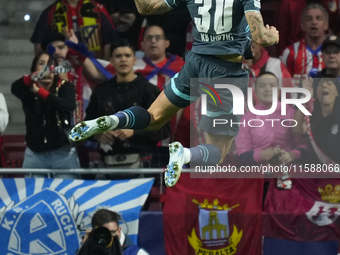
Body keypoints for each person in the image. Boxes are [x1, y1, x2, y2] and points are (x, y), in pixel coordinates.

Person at [69, 0, 279, 187]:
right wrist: (272, 36)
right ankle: (185, 154)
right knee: (219, 151)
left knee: (153, 117)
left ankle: (115, 119)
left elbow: (145, 7)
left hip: (195, 65)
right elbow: (260, 36)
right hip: (225, 74)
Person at [85, 39, 170, 167]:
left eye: (127, 55)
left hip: (144, 161)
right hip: (108, 162)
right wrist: (98, 135)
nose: (123, 59)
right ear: (112, 60)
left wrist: (134, 132)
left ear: (135, 60)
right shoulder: (101, 91)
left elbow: (164, 128)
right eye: (118, 56)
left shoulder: (150, 91)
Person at [235, 72, 309, 188]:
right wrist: (262, 155)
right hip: (258, 177)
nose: (267, 89)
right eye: (262, 85)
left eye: (272, 86)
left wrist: (292, 155)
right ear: (255, 90)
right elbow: (242, 156)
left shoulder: (291, 113)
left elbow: (304, 145)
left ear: (279, 90)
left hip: (289, 173)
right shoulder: (247, 118)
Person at [11, 52, 80, 171]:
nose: (46, 69)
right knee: (33, 189)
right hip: (35, 154)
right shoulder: (27, 88)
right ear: (34, 69)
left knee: (66, 189)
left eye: (51, 65)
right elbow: (15, 89)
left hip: (63, 154)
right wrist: (31, 79)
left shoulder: (65, 87)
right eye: (42, 64)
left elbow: (68, 105)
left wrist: (39, 91)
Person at [30, 0, 120, 60]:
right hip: (62, 67)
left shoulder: (98, 9)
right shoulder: (51, 11)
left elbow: (109, 41)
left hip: (94, 65)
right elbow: (39, 43)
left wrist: (105, 65)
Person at [293, 74, 339, 164]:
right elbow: (296, 129)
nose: (324, 86)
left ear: (337, 92)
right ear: (316, 94)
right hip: (317, 171)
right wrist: (304, 99)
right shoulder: (312, 118)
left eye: (329, 84)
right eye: (320, 85)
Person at [280, 3, 328, 87]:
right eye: (309, 19)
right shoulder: (290, 53)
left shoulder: (335, 53)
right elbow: (283, 85)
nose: (314, 22)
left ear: (326, 25)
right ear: (302, 25)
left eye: (319, 18)